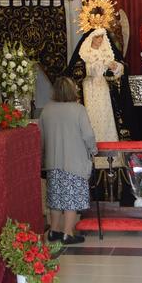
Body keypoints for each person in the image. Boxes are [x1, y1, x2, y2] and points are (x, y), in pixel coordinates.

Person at [40, 77, 96, 245]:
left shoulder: (47, 110)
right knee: (72, 198)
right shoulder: (78, 109)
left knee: (55, 198)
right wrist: (93, 150)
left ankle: (54, 231)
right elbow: (88, 135)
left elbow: (41, 137)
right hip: (74, 161)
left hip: (52, 161)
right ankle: (67, 233)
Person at [77, 28, 124, 142]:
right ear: (91, 38)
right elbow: (83, 72)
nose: (100, 39)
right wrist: (100, 64)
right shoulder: (85, 53)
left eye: (102, 36)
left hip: (102, 87)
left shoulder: (106, 52)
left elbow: (119, 70)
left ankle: (109, 147)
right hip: (90, 88)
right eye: (97, 37)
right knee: (92, 116)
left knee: (105, 116)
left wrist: (115, 67)